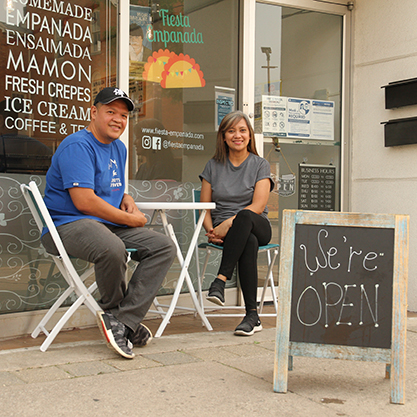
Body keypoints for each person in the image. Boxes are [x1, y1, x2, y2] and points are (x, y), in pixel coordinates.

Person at [41, 87, 176, 359]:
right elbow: (85, 202)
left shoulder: (119, 147)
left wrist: (127, 197)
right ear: (94, 112)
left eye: (124, 115)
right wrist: (132, 219)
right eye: (111, 112)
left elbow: (108, 187)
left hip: (103, 224)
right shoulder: (78, 146)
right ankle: (118, 317)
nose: (118, 119)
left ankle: (124, 322)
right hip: (67, 226)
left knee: (164, 247)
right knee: (112, 248)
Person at [199, 110, 274, 336]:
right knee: (247, 241)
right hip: (227, 235)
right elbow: (204, 208)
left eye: (242, 130)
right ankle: (252, 316)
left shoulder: (260, 165)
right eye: (231, 131)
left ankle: (221, 279)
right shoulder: (213, 166)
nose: (237, 135)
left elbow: (258, 207)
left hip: (257, 224)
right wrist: (211, 230)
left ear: (250, 135)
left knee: (245, 218)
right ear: (223, 136)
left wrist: (227, 224)